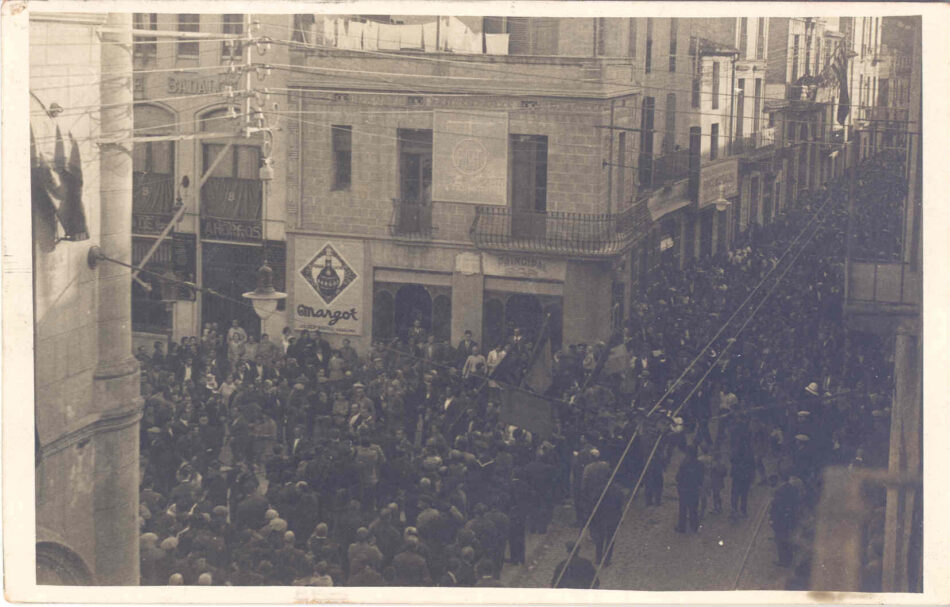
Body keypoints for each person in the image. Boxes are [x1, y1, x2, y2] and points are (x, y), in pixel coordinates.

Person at [770, 476, 803, 566]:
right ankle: (789, 558)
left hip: (781, 520)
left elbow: (777, 508)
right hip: (789, 518)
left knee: (780, 540)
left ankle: (784, 560)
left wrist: (772, 520)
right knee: (787, 537)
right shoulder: (792, 488)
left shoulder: (779, 492)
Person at [675, 445, 705, 533]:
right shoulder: (699, 464)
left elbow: (678, 477)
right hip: (694, 489)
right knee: (694, 509)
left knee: (683, 509)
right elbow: (701, 478)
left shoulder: (684, 464)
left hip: (684, 489)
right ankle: (694, 526)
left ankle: (682, 527)